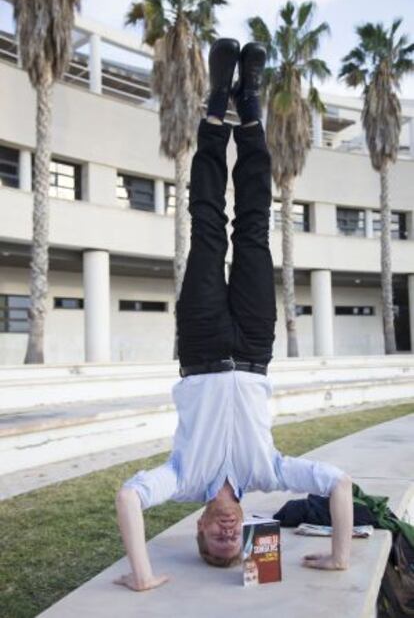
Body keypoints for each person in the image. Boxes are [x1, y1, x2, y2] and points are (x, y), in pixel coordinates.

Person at [114, 38, 354, 593]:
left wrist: (144, 575)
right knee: (251, 227)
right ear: (243, 527)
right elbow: (339, 483)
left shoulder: (181, 479)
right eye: (232, 539)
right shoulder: (266, 472)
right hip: (252, 345)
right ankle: (250, 108)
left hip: (199, 347)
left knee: (205, 224)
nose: (226, 532)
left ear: (196, 527)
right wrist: (339, 556)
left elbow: (129, 497)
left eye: (213, 540)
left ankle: (215, 105)